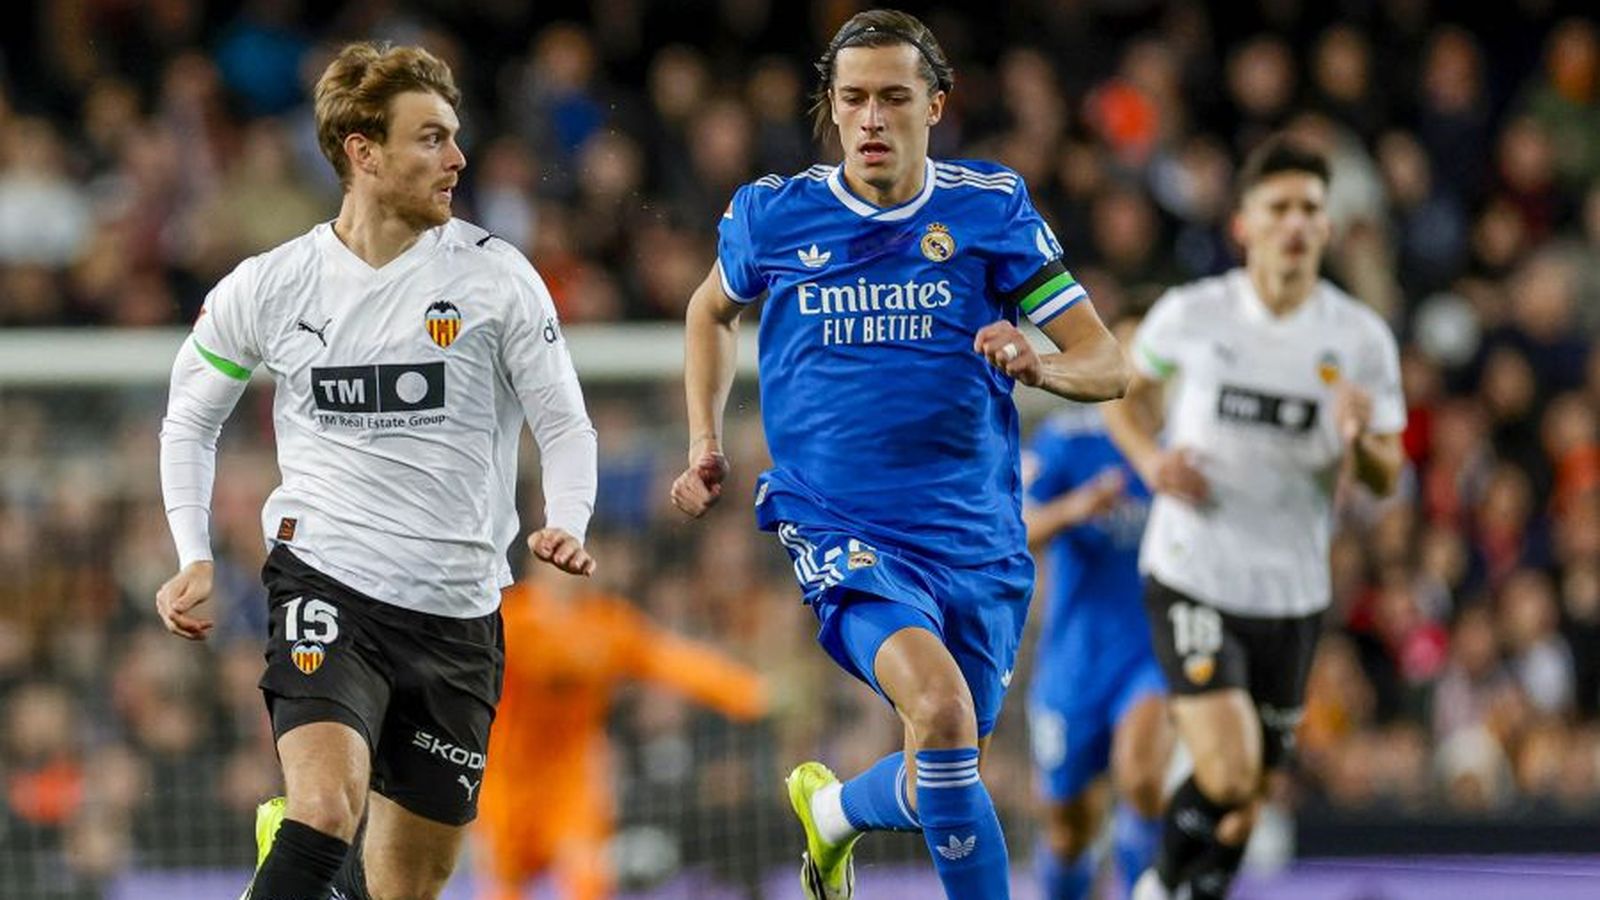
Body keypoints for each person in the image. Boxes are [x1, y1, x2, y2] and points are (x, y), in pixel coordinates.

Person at [670, 10, 1128, 899]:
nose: (871, 119)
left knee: (943, 769)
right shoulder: (775, 215)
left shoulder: (989, 210)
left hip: (976, 539)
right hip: (839, 522)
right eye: (852, 100)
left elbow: (1106, 362)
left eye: (893, 97)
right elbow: (708, 311)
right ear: (831, 111)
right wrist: (704, 441)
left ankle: (835, 813)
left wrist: (1041, 362)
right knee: (943, 710)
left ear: (936, 105)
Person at [154, 43, 598, 900]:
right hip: (327, 580)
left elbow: (565, 423)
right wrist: (193, 551)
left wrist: (568, 519)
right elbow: (189, 417)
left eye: (455, 137)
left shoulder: (497, 278)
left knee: (402, 889)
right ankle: (303, 845)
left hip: (458, 614)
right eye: (430, 139)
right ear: (363, 151)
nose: (457, 159)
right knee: (324, 807)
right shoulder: (273, 284)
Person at [1104, 136, 1405, 900]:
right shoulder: (1193, 315)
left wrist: (1360, 438)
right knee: (1228, 771)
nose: (1297, 222)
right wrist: (1150, 462)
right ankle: (1152, 887)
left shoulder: (1359, 340)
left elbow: (1386, 472)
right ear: (1244, 224)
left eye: (1311, 208)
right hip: (1193, 573)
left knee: (1242, 807)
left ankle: (1181, 886)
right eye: (1280, 208)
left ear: (1328, 227)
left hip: (1291, 594)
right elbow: (1122, 397)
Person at [475, 559, 769, 900]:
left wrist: (746, 693)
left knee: (588, 880)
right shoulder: (510, 621)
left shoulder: (605, 624)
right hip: (503, 781)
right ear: (537, 568)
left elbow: (669, 658)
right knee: (503, 887)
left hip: (570, 781)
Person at [1023, 323, 1173, 900]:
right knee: (1067, 830)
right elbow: (1017, 529)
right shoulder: (1066, 439)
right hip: (1077, 660)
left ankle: (1147, 887)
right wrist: (1075, 509)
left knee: (1143, 777)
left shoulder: (1185, 445)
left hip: (1151, 651)